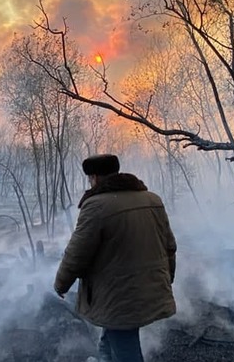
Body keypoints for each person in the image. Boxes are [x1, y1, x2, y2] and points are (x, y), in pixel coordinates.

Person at [54, 154, 177, 362]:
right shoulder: (152, 200)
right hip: (147, 285)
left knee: (125, 346)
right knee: (112, 337)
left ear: (94, 177)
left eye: (90, 178)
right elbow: (170, 246)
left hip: (119, 293)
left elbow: (76, 254)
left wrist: (61, 284)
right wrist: (167, 278)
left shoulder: (96, 206)